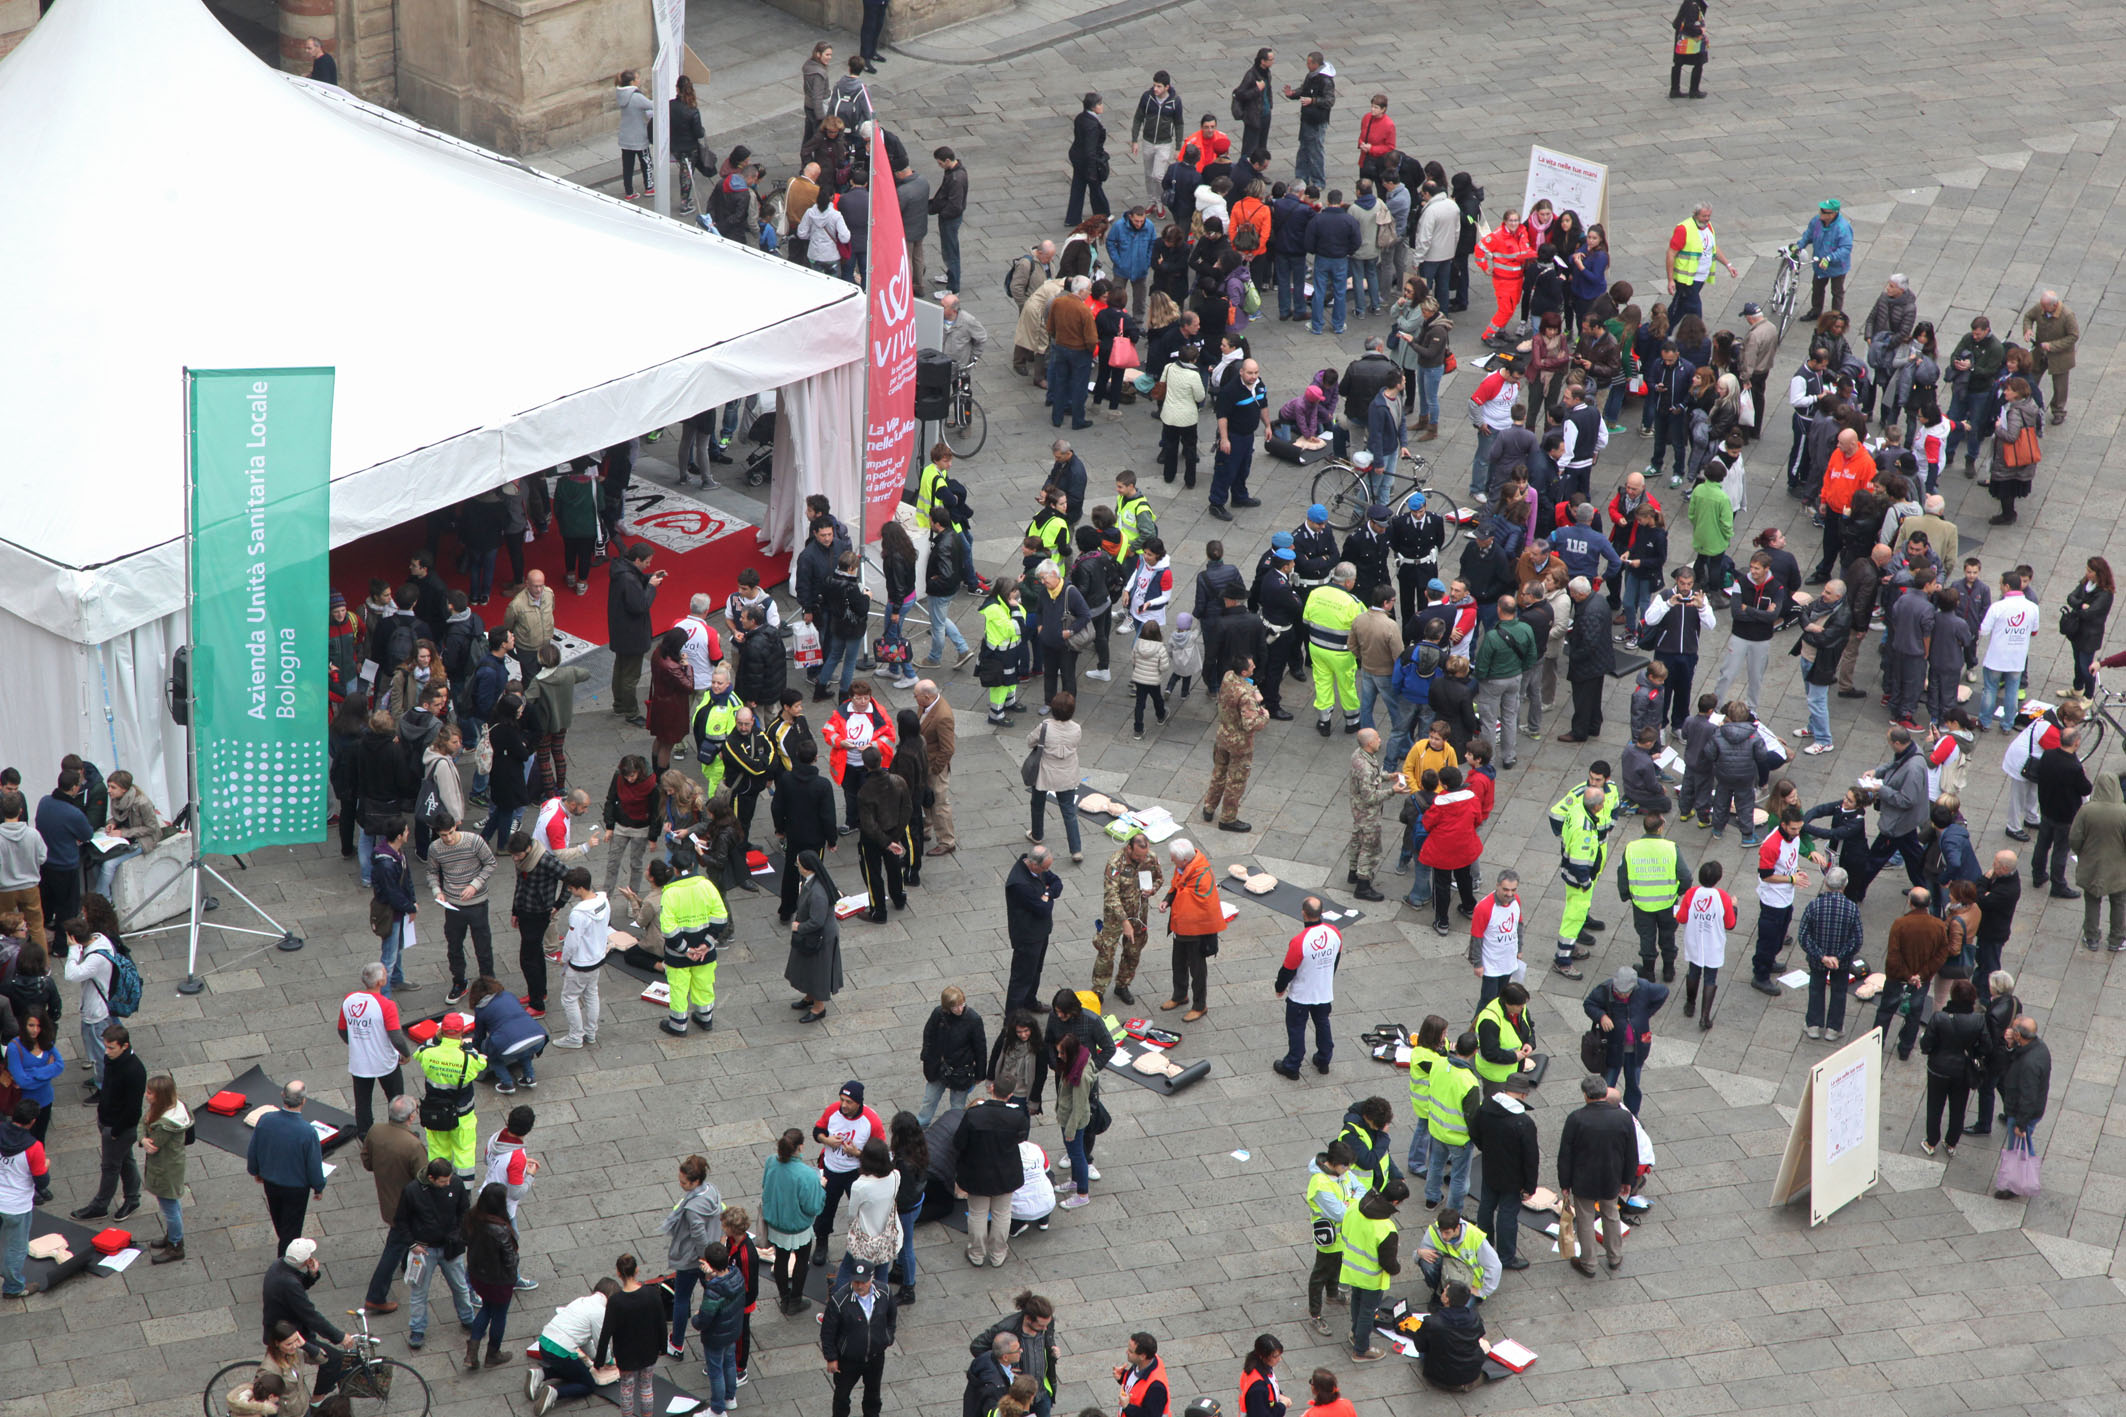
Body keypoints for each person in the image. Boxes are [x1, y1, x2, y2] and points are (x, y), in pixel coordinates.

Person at [1556, 1074, 1636, 1276]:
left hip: (1583, 1179)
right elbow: (1631, 1153)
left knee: (1584, 1219)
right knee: (1611, 1214)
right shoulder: (1623, 1117)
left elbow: (1565, 1154)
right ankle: (1615, 1257)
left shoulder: (1576, 1119)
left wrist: (1564, 1183)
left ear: (1586, 1095)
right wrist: (1627, 1180)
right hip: (1611, 1177)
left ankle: (1589, 1263)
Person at [246, 1080, 328, 1252]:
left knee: (279, 1221)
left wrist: (255, 1171)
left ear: (282, 1096)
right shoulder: (307, 1132)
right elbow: (313, 1164)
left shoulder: (265, 1120)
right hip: (296, 1188)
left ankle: (285, 1252)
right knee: (291, 1230)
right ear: (304, 1101)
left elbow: (254, 1148)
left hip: (271, 1182)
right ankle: (286, 1263)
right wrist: (318, 1186)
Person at [956, 1079, 1031, 1266]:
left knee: (977, 1214)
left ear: (991, 1089)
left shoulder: (974, 1115)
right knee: (1002, 1213)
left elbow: (959, 1142)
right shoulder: (1017, 1116)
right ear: (1010, 1095)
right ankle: (998, 1255)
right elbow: (1021, 1138)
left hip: (977, 1172)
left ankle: (976, 1254)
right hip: (1005, 1173)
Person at [338, 962, 411, 1139]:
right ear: (380, 982)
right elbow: (396, 1037)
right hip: (385, 1062)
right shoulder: (386, 1005)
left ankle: (365, 1136)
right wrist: (406, 1054)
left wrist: (357, 1044)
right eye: (385, 974)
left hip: (359, 1062)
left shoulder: (350, 1000)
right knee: (396, 1099)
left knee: (362, 1102)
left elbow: (342, 1030)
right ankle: (397, 1134)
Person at [1336, 1177, 1405, 1361]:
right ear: (1396, 1202)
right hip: (1371, 1278)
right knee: (1368, 1311)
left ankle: (1355, 1332)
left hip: (1351, 1269)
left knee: (1356, 1302)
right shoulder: (1386, 1228)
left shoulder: (1356, 1206)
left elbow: (1344, 1231)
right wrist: (1397, 1269)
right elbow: (1388, 1263)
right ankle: (1361, 1349)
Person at [1584, 967, 1668, 1115]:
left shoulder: (1645, 988)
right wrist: (1602, 1016)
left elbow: (1663, 992)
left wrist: (1646, 1014)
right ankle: (1603, 1115)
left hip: (1638, 1048)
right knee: (1607, 1085)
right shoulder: (1605, 989)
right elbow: (1589, 1004)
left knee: (1633, 1085)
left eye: (1626, 992)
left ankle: (1632, 1116)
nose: (1622, 995)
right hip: (1612, 1048)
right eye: (1619, 992)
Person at [1158, 838, 1227, 1021]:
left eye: (1174, 858)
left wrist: (1175, 897)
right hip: (1181, 929)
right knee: (1178, 964)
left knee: (1197, 971)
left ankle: (1200, 1005)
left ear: (1185, 860)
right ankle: (1180, 996)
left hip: (1197, 933)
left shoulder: (1201, 875)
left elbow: (1194, 900)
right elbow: (1176, 887)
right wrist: (1167, 899)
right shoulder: (1184, 868)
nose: (1171, 861)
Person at [1273, 898, 1341, 1079]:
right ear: (1322, 912)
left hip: (1301, 995)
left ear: (1303, 913)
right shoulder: (1334, 933)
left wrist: (1279, 987)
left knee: (1296, 1029)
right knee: (1323, 1024)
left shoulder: (1299, 941)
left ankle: (1292, 1065)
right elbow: (1335, 960)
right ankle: (1324, 1060)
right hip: (1324, 992)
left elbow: (1287, 970)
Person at [762, 1129, 826, 1313]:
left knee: (781, 1260)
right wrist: (821, 1188)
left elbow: (765, 1185)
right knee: (801, 1260)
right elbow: (813, 1207)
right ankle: (796, 1300)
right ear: (801, 1147)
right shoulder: (807, 1174)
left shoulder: (771, 1161)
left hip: (776, 1222)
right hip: (798, 1226)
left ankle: (784, 1298)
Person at [415, 1011, 485, 1179]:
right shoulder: (468, 1058)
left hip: (435, 1113)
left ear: (442, 1030)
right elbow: (481, 1063)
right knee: (464, 1152)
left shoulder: (429, 1053)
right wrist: (467, 1046)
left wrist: (436, 1039)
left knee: (438, 1151)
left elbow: (418, 1052)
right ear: (461, 1031)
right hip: (462, 1115)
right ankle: (464, 1189)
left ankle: (438, 1182)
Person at [463, 1180, 521, 1370]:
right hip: (499, 1280)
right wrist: (512, 1279)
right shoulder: (501, 1229)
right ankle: (493, 1353)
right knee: (499, 1314)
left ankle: (472, 1354)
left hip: (478, 1275)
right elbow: (510, 1259)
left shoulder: (472, 1216)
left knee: (486, 1307)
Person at [1994, 1018, 2053, 1196]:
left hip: (2022, 1113)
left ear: (2020, 1034)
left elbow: (2028, 1096)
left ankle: (2015, 1184)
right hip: (2027, 1110)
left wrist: (2020, 1124)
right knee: (2022, 1144)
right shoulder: (2038, 1047)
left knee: (2019, 1147)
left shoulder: (2030, 1064)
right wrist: (2012, 1045)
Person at [2031, 726, 2092, 898]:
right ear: (2076, 743)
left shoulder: (2048, 755)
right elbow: (2086, 789)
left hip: (2047, 808)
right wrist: (2083, 774)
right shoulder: (2074, 766)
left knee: (2042, 844)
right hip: (2065, 815)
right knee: (2060, 850)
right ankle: (2058, 885)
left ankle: (2038, 874)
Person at [1005, 846, 1065, 1017]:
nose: (1046, 871)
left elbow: (1057, 883)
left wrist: (1047, 893)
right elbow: (1043, 909)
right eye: (1044, 868)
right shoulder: (1019, 883)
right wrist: (1048, 897)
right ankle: (1013, 1018)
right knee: (1021, 978)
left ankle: (1029, 1001)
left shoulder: (1038, 868)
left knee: (1036, 970)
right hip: (1027, 936)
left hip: (1040, 932)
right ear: (1032, 864)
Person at [2070, 772, 2126, 952]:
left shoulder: (2087, 810)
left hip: (2092, 864)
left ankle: (2091, 937)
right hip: (2118, 866)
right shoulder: (2123, 812)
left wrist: (2082, 853)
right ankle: (2116, 939)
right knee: (2118, 902)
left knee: (2092, 900)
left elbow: (2075, 838)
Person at [919, 986, 988, 1125]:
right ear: (947, 1006)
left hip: (961, 1069)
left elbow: (980, 1048)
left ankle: (954, 1130)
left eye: (962, 1004)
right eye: (955, 1006)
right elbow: (929, 1034)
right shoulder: (938, 1013)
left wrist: (980, 1074)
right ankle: (921, 1125)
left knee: (957, 1106)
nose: (960, 1009)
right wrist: (927, 1056)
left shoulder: (973, 1019)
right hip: (938, 1066)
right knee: (929, 1100)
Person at [2020, 290, 2078, 425]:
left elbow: (2073, 336)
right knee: (2031, 379)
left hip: (2060, 357)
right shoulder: (2040, 307)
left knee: (2060, 386)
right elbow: (2028, 317)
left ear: (2055, 305)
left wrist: (2052, 346)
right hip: (2040, 353)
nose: (2042, 309)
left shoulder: (2067, 316)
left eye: (2045, 307)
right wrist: (2027, 329)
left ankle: (2058, 411)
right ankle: (2028, 404)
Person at [614, 71, 655, 199]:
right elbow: (653, 105)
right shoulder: (636, 96)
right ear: (632, 82)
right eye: (637, 78)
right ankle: (649, 187)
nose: (639, 80)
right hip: (638, 136)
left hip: (625, 136)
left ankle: (629, 192)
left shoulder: (621, 94)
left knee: (627, 166)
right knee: (646, 162)